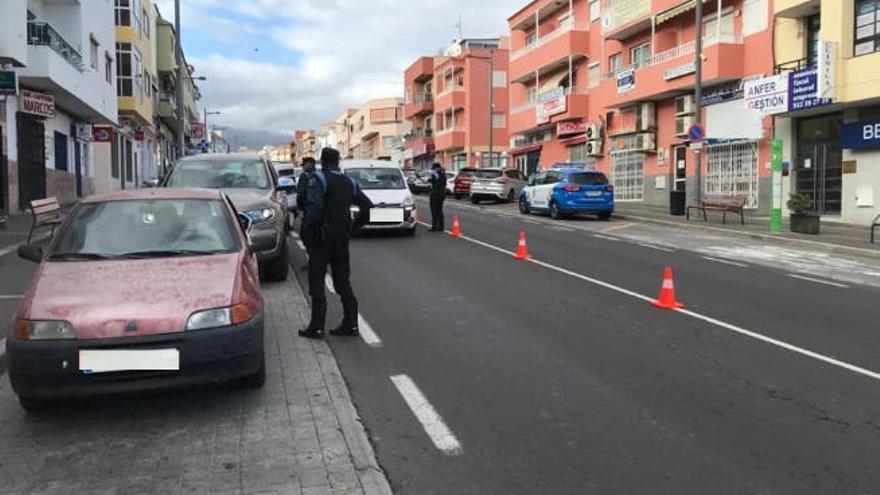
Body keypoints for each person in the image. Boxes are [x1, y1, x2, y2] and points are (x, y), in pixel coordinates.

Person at [299, 148, 373, 339]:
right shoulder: (349, 181)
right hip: (341, 237)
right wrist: (354, 228)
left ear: (322, 161)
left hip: (321, 238)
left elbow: (314, 207)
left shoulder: (318, 179)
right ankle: (351, 324)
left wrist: (306, 231)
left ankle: (316, 327)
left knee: (317, 281)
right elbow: (367, 205)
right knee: (342, 281)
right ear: (338, 161)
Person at [296, 157, 318, 263]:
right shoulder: (319, 176)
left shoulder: (304, 177)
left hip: (308, 210)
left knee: (305, 236)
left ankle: (312, 259)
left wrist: (300, 209)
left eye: (304, 164)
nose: (303, 167)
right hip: (319, 211)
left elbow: (300, 194)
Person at [427, 162, 447, 232]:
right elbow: (443, 183)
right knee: (439, 210)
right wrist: (430, 180)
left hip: (435, 195)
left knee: (434, 210)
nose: (433, 170)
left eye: (434, 169)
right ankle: (441, 227)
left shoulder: (436, 174)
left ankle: (434, 227)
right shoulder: (443, 174)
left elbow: (437, 183)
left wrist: (432, 180)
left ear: (437, 168)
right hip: (442, 195)